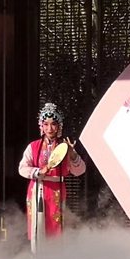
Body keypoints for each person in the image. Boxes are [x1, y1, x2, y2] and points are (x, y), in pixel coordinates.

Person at [18, 103, 86, 241]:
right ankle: (37, 252)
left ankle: (55, 252)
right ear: (41, 126)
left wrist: (72, 154)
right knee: (37, 224)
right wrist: (39, 171)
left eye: (53, 124)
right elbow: (22, 168)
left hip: (57, 189)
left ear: (59, 126)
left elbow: (79, 171)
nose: (49, 128)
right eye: (46, 124)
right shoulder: (33, 146)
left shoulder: (65, 147)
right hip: (37, 188)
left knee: (56, 225)